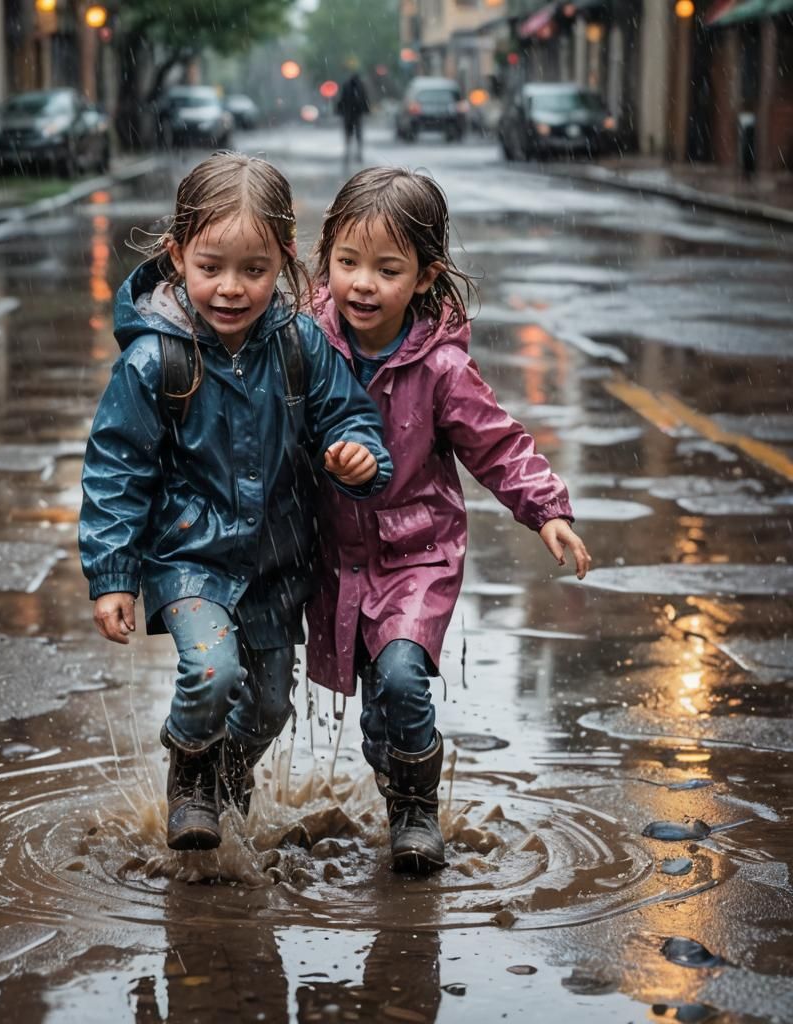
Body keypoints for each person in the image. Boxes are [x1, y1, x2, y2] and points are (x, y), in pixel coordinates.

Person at [79, 153, 392, 853]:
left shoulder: (298, 344)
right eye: (211, 266)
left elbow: (348, 415)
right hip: (189, 558)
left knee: (271, 704)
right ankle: (190, 771)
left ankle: (224, 776)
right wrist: (113, 575)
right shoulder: (157, 359)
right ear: (177, 255)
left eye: (253, 270)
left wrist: (357, 453)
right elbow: (116, 468)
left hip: (275, 565)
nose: (230, 289)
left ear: (281, 263)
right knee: (212, 672)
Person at [307, 167, 591, 874]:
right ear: (327, 259)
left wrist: (546, 510)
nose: (362, 284)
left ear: (426, 276)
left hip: (417, 555)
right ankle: (395, 773)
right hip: (335, 557)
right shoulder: (305, 344)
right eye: (348, 263)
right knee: (379, 709)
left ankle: (414, 810)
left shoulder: (441, 369)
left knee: (400, 677)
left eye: (387, 269)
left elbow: (497, 443)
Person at [336, 72, 370, 162]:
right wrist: (366, 110)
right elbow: (364, 99)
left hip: (350, 114)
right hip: (355, 114)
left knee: (350, 135)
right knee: (356, 135)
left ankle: (350, 153)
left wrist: (339, 110)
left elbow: (342, 99)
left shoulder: (348, 86)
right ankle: (355, 153)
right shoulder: (360, 86)